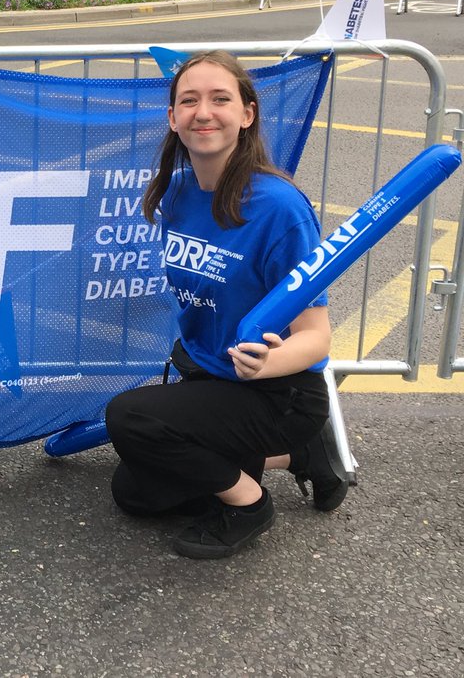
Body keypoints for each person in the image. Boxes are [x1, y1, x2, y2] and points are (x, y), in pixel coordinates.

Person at [104, 51, 348, 560]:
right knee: (134, 494)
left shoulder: (278, 208)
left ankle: (249, 506)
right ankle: (299, 455)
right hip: (212, 379)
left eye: (221, 99)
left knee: (130, 416)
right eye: (189, 100)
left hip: (277, 392)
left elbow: (318, 336)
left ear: (247, 114)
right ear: (173, 118)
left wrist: (269, 362)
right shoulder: (177, 193)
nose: (204, 112)